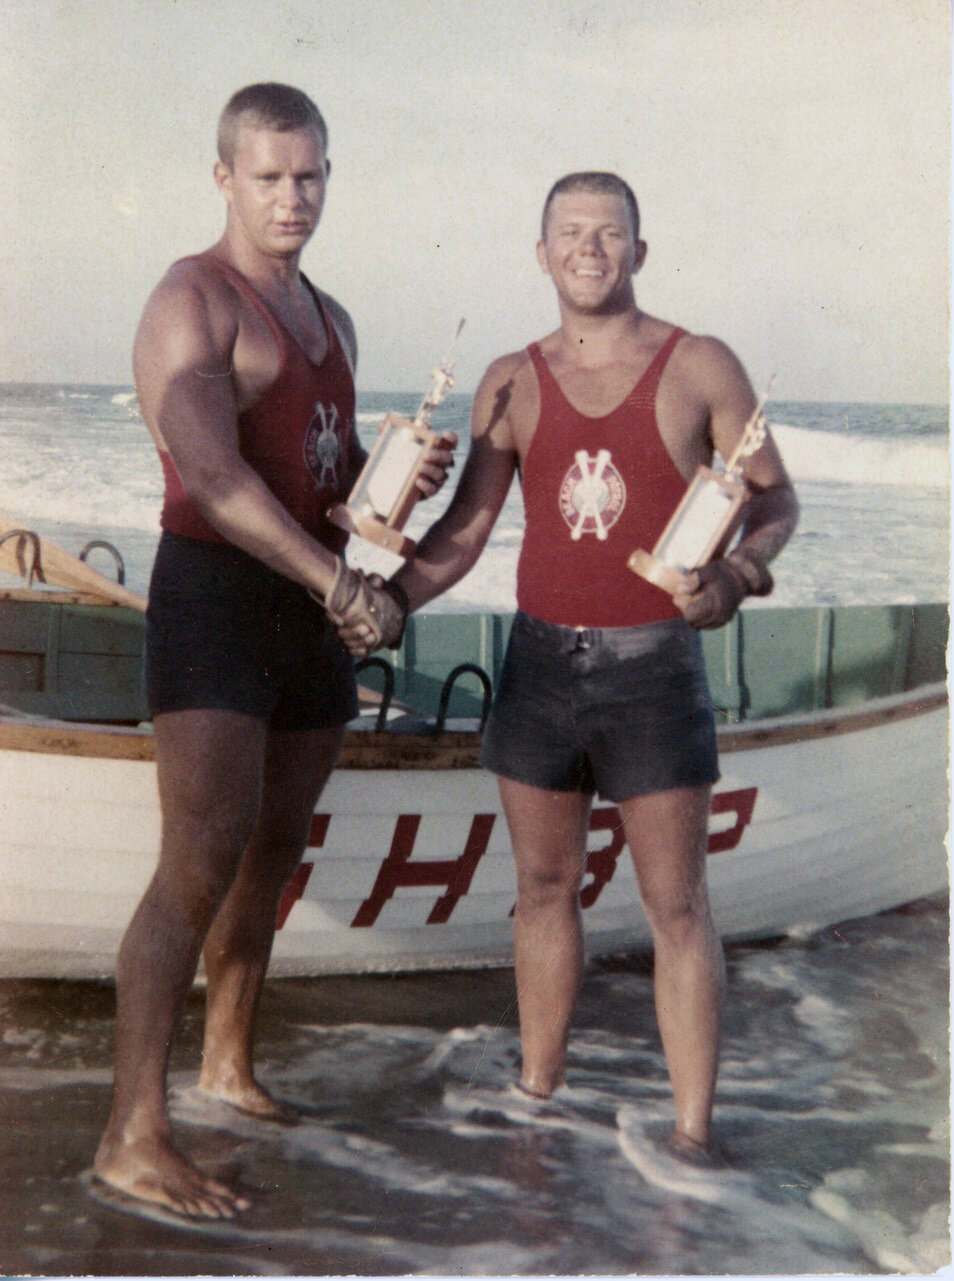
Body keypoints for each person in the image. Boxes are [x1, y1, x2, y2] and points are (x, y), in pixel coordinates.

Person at [341, 172, 798, 1164]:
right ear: (541, 254)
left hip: (653, 669)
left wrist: (738, 576)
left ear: (640, 250)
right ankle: (538, 1097)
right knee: (543, 887)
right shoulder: (508, 377)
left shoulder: (699, 363)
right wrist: (389, 602)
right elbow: (463, 533)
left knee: (678, 907)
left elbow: (773, 499)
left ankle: (691, 1142)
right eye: (571, 234)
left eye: (611, 233)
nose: (590, 249)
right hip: (541, 663)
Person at [93, 83, 453, 1219]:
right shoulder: (189, 300)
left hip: (308, 604)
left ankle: (227, 1064)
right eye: (268, 177)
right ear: (224, 179)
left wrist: (394, 492)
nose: (292, 197)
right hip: (216, 595)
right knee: (197, 857)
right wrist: (337, 581)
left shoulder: (332, 320)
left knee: (274, 849)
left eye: (310, 176)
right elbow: (214, 475)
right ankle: (129, 1133)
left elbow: (319, 482)